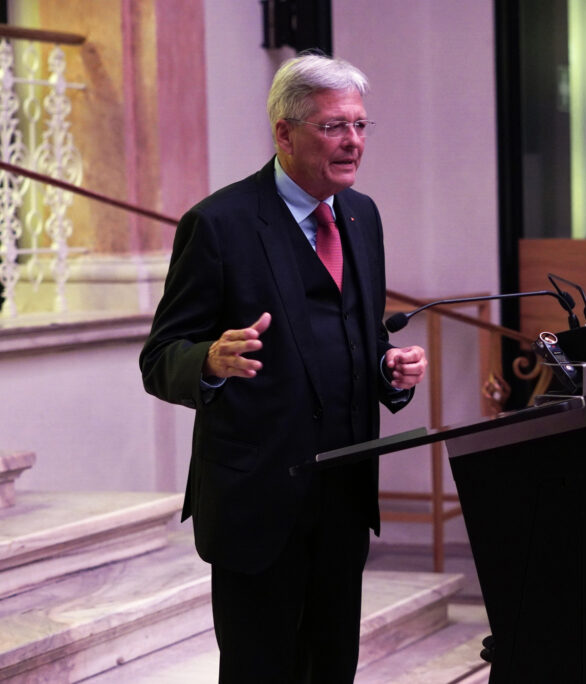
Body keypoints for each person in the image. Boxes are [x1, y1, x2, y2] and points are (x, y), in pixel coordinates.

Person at [139, 52, 427, 683]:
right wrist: (209, 360)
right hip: (258, 500)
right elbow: (160, 357)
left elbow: (358, 335)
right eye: (333, 126)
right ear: (285, 133)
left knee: (332, 666)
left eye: (359, 125)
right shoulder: (218, 224)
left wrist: (388, 368)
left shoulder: (362, 215)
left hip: (343, 493)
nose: (352, 141)